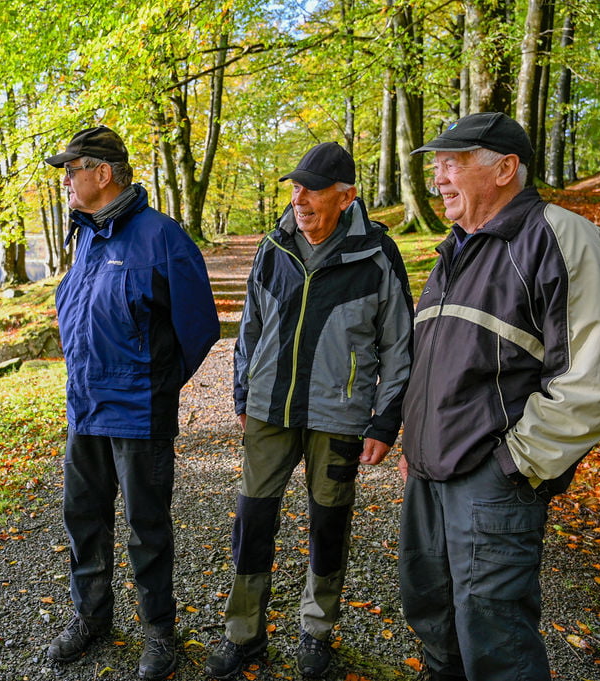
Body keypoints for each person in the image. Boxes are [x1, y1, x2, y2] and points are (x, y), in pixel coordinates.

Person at [399, 112, 600, 681]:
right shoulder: (456, 248)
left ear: (504, 169)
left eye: (453, 163)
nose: (439, 179)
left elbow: (593, 374)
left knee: (494, 635)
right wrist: (415, 444)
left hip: (493, 478)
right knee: (431, 610)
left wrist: (517, 463)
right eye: (437, 166)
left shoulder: (559, 235)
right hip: (430, 473)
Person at [206, 142, 414, 679]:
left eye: (313, 189)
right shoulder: (273, 247)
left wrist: (385, 420)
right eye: (296, 188)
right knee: (252, 522)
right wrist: (241, 395)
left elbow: (399, 346)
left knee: (328, 525)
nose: (300, 199)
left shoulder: (376, 255)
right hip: (270, 410)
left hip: (340, 417)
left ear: (345, 197)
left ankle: (316, 631)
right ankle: (243, 634)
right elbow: (249, 328)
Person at [43, 125, 220, 680]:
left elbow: (199, 328)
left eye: (72, 171)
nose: (66, 181)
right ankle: (91, 619)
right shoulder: (86, 236)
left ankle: (159, 633)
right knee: (84, 520)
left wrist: (156, 386)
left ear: (102, 173)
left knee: (147, 527)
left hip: (140, 413)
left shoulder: (161, 237)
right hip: (85, 409)